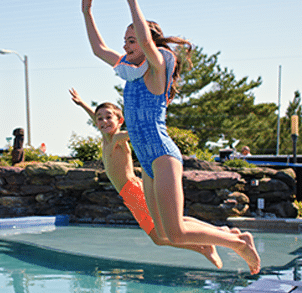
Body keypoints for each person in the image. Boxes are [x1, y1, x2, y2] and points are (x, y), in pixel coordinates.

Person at [81, 0, 260, 274]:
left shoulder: (157, 71)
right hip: (149, 163)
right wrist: (87, 12)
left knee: (175, 233)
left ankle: (238, 243)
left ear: (147, 43)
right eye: (125, 41)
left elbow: (146, 41)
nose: (126, 45)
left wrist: (131, 2)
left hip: (163, 156)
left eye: (131, 40)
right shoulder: (131, 74)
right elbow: (98, 50)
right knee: (163, 232)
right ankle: (225, 233)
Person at [70, 88, 245, 269]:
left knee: (161, 235)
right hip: (130, 192)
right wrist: (82, 103)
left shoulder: (116, 138)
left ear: (119, 121)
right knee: (165, 230)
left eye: (108, 118)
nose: (103, 121)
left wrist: (146, 125)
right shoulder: (106, 136)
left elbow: (131, 134)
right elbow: (98, 118)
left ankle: (208, 244)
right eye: (100, 118)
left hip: (133, 191)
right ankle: (214, 236)